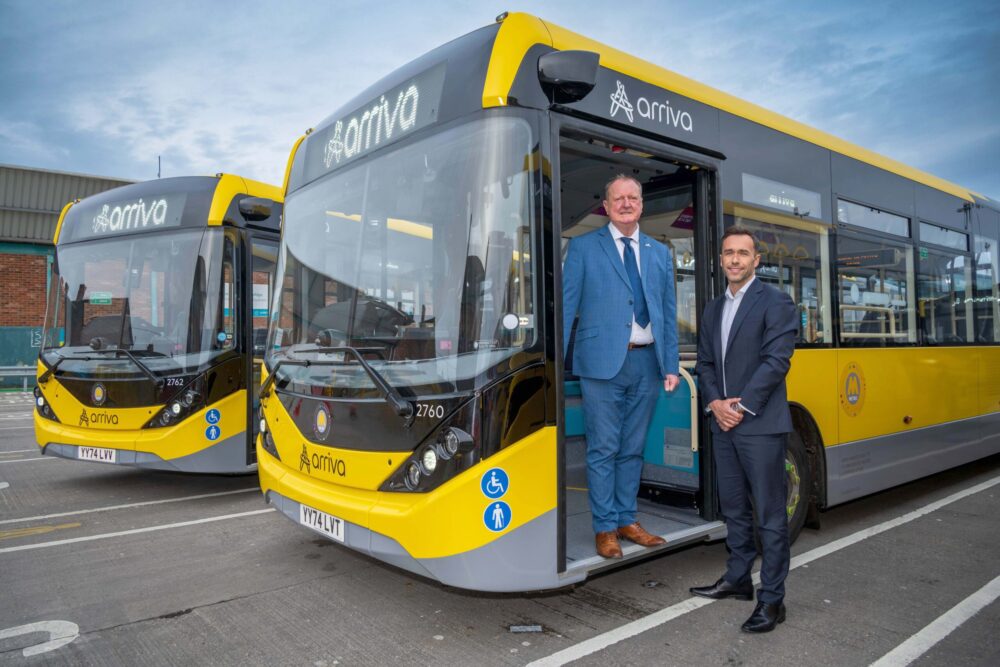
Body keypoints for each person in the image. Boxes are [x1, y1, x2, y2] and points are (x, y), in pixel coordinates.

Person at [562, 174, 680, 560]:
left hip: (647, 363)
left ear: (641, 205)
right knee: (603, 449)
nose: (627, 203)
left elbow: (667, 314)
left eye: (633, 198)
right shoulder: (583, 248)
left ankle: (628, 520)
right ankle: (605, 527)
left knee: (632, 449)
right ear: (607, 207)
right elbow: (565, 308)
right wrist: (553, 365)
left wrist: (671, 364)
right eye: (619, 198)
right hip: (600, 365)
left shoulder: (660, 253)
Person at [690, 226, 798, 633]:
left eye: (743, 253)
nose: (735, 259)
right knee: (733, 508)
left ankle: (773, 600)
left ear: (757, 260)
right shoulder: (713, 308)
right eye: (728, 253)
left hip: (760, 425)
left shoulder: (776, 301)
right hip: (723, 424)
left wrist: (741, 406)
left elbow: (777, 361)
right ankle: (738, 579)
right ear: (720, 260)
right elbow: (703, 363)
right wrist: (716, 403)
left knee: (769, 516)